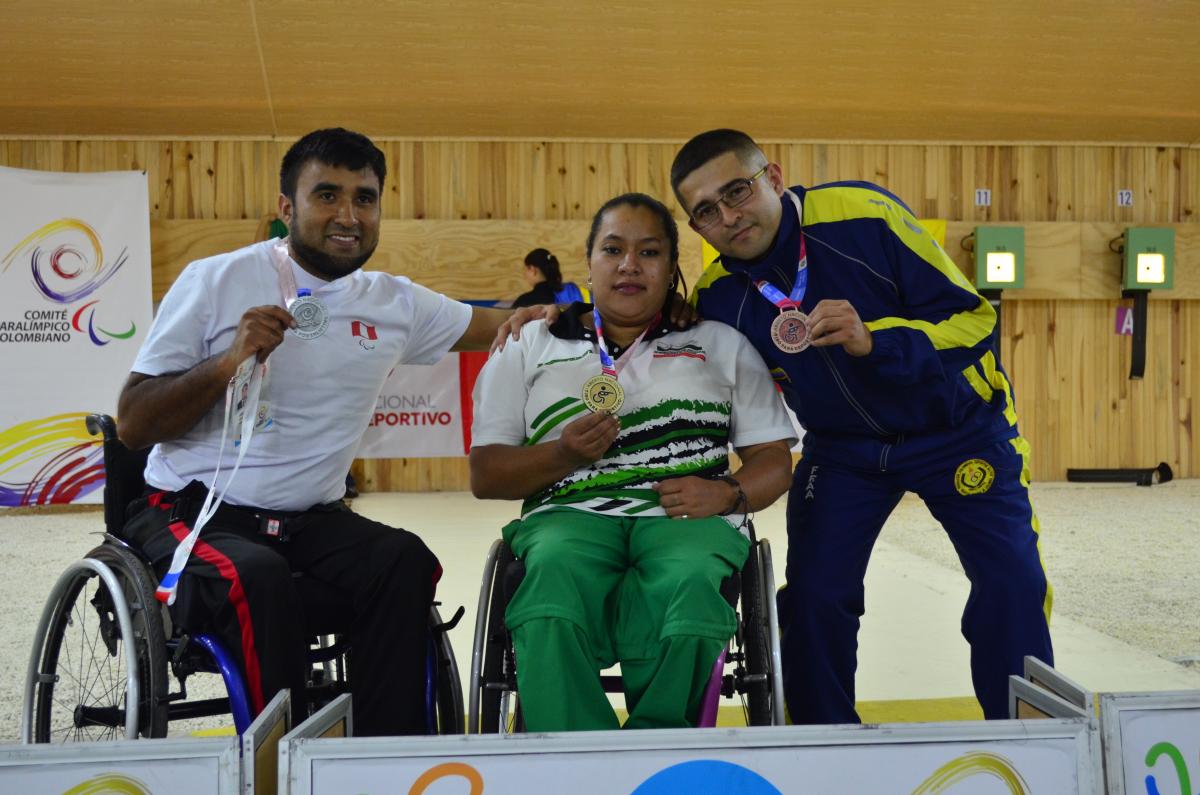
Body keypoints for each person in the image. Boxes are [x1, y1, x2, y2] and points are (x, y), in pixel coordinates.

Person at [115, 127, 553, 736]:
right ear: (286, 208)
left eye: (365, 199)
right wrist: (226, 362)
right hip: (195, 512)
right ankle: (286, 759)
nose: (348, 215)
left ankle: (388, 759)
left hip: (312, 520)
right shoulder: (214, 280)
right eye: (327, 196)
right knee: (258, 577)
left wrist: (588, 315)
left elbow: (504, 326)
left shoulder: (394, 302)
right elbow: (134, 423)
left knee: (403, 560)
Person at [669, 129, 1054, 724]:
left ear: (772, 178)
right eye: (706, 211)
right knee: (816, 597)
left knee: (1011, 583)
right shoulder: (719, 298)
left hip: (958, 432)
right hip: (844, 453)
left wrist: (879, 340)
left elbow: (976, 321)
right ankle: (825, 750)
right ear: (697, 229)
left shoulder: (862, 216)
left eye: (737, 191)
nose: (729, 216)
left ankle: (1028, 740)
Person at [469, 193, 796, 731]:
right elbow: (486, 476)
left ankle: (657, 759)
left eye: (649, 253)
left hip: (687, 517)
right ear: (589, 260)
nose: (629, 265)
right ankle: (577, 766)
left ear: (671, 269)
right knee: (548, 588)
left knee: (691, 591)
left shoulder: (720, 343)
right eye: (613, 249)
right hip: (568, 516)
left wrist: (729, 494)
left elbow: (772, 460)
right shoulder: (530, 343)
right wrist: (563, 453)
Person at [512, 247, 584, 307]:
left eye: (526, 270)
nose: (525, 275)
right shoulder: (571, 290)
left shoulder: (524, 301)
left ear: (532, 269)